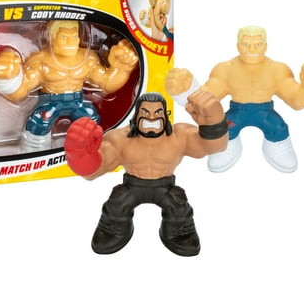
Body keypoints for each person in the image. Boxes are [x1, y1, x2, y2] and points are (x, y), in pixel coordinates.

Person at [64, 91, 228, 255]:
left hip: (165, 187)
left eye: (157, 113)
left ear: (165, 115)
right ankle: (114, 227)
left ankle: (179, 230)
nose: (151, 118)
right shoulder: (120, 139)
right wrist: (80, 155)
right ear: (136, 115)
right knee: (118, 204)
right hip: (132, 185)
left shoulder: (180, 136)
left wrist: (213, 123)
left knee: (177, 206)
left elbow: (213, 147)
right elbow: (96, 169)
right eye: (145, 112)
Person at [165, 26, 304, 172]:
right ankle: (226, 144)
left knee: (278, 128)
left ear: (265, 45)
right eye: (246, 44)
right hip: (237, 112)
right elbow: (208, 98)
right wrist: (187, 91)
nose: (252, 48)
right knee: (224, 129)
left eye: (257, 44)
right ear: (238, 46)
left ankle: (278, 142)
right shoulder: (225, 69)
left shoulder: (277, 70)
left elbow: (295, 99)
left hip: (265, 112)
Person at [0, 20, 138, 149]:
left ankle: (88, 150)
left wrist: (121, 68)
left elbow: (106, 84)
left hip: (78, 101)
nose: (71, 41)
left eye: (74, 36)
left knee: (90, 118)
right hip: (49, 102)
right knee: (39, 121)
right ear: (51, 38)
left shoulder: (87, 59)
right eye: (64, 37)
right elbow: (21, 91)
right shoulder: (40, 61)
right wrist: (7, 79)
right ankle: (34, 153)